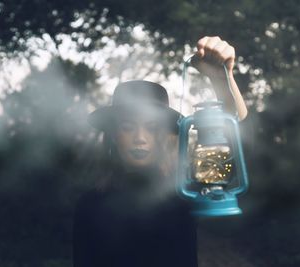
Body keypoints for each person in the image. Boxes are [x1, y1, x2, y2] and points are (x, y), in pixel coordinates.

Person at [72, 36, 248, 267]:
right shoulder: (90, 203)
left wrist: (220, 78)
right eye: (128, 127)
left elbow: (233, 126)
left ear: (167, 134)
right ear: (114, 134)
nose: (140, 138)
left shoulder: (184, 191)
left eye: (152, 127)